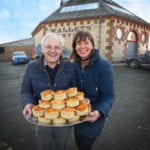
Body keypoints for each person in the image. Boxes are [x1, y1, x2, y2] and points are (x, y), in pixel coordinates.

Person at [20, 32, 76, 150]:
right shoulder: (31, 67)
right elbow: (25, 89)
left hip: (64, 117)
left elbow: (76, 88)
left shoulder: (70, 67)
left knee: (61, 145)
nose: (52, 51)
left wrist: (82, 100)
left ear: (61, 50)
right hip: (42, 118)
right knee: (43, 146)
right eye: (48, 47)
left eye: (56, 47)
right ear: (42, 48)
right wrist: (28, 103)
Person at [70, 31, 115, 150]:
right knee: (78, 142)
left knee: (85, 145)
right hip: (77, 113)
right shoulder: (74, 65)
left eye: (86, 43)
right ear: (75, 47)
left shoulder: (104, 66)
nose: (83, 47)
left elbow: (109, 96)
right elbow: (73, 89)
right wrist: (79, 99)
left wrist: (100, 112)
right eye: (79, 43)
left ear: (92, 45)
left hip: (94, 114)